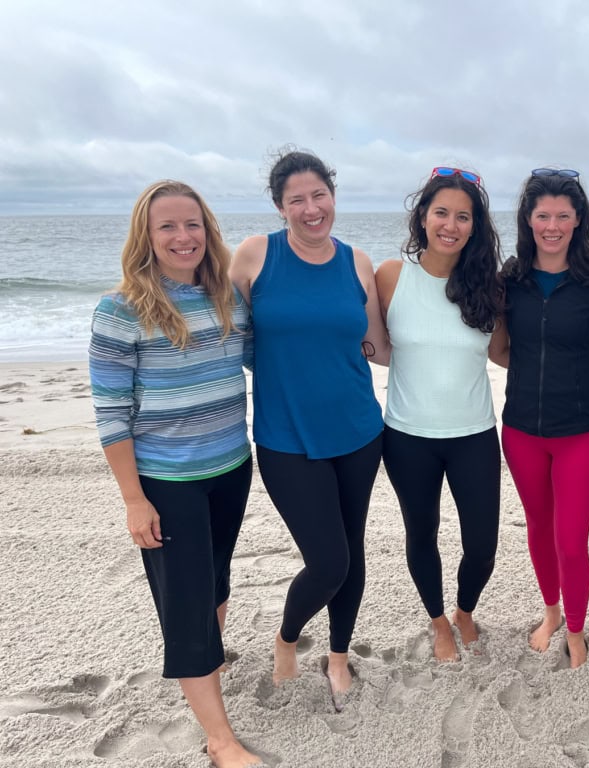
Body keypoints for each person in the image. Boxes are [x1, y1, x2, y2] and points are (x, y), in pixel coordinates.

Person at [89, 181, 260, 768]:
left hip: (232, 467)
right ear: (147, 236)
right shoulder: (120, 309)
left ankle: (207, 661)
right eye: (168, 227)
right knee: (186, 604)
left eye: (193, 225)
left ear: (208, 231)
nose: (183, 237)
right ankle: (219, 740)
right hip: (167, 480)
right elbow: (111, 414)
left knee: (214, 582)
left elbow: (266, 357)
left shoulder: (227, 298)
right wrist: (135, 500)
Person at [230, 149, 389, 708]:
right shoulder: (255, 255)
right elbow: (219, 327)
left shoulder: (358, 262)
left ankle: (339, 655)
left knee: (354, 551)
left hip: (360, 432)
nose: (310, 207)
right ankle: (286, 639)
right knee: (329, 561)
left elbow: (374, 344)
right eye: (296, 199)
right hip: (285, 438)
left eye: (319, 195)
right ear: (280, 207)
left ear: (334, 197)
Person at [374, 167, 503, 662]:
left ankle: (465, 610)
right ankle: (437, 621)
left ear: (476, 225)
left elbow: (504, 351)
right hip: (407, 435)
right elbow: (371, 345)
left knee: (483, 543)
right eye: (441, 212)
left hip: (474, 433)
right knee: (421, 533)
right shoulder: (391, 276)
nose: (450, 224)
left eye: (463, 216)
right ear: (422, 216)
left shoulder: (489, 286)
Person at [489, 168, 589, 668]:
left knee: (571, 538)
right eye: (543, 215)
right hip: (520, 429)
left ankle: (577, 630)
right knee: (539, 526)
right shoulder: (510, 280)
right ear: (528, 219)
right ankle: (552, 611)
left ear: (578, 220)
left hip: (580, 431)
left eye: (563, 215)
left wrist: (562, 365)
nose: (553, 225)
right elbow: (498, 350)